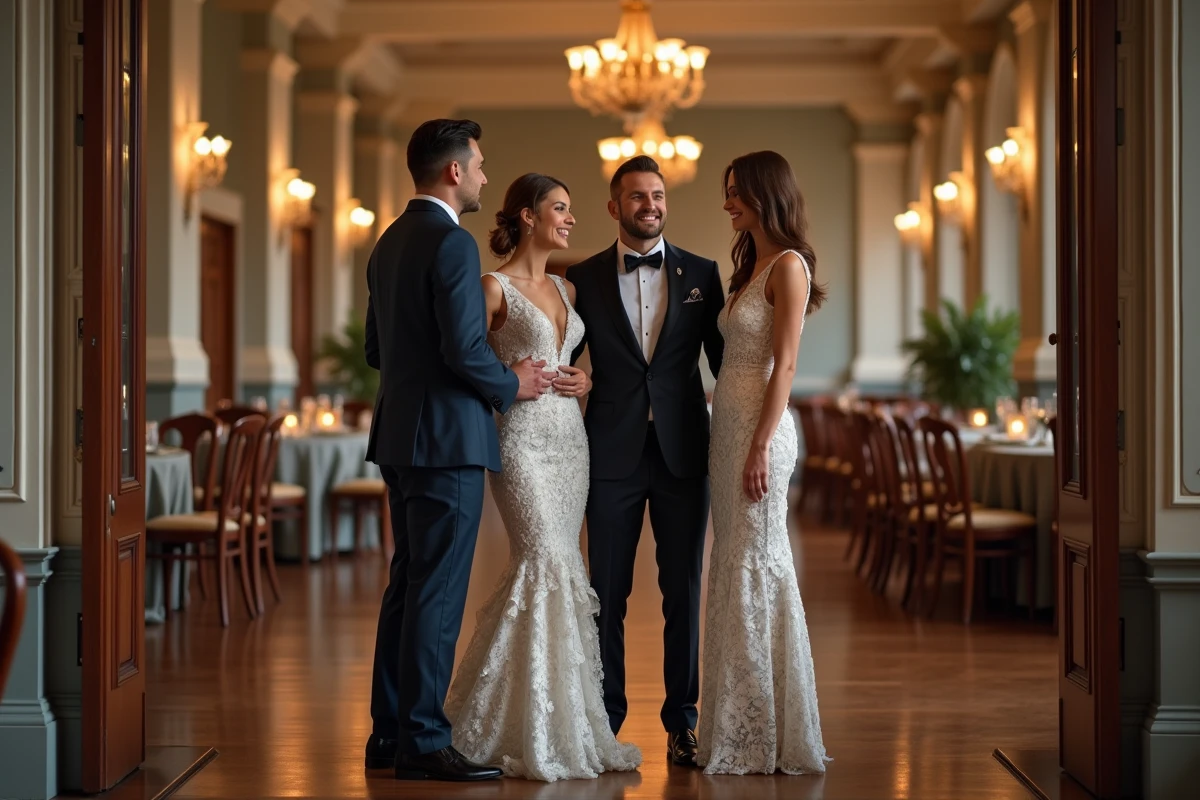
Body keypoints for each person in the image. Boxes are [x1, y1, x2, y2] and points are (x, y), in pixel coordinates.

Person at [363, 119, 555, 782]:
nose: (481, 176)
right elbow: (464, 350)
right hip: (447, 440)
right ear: (452, 171)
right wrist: (515, 383)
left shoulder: (387, 242)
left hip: (398, 434)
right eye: (477, 165)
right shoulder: (450, 243)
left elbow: (375, 351)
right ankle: (422, 739)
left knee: (408, 584)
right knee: (437, 591)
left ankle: (388, 732)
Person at [442, 173, 643, 782]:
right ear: (527, 217)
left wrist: (582, 379)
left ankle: (567, 721)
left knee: (565, 567)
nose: (570, 218)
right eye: (560, 208)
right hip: (523, 440)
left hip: (569, 440)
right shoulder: (491, 285)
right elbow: (462, 360)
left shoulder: (566, 287)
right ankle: (512, 724)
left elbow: (576, 361)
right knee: (543, 560)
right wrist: (510, 382)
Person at [566, 155, 725, 767]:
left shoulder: (702, 275)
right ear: (614, 207)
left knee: (682, 589)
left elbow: (724, 362)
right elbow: (560, 348)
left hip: (685, 453)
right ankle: (605, 719)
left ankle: (682, 721)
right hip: (609, 453)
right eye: (636, 196)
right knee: (606, 591)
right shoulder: (582, 278)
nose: (649, 205)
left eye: (657, 194)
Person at [697, 150, 831, 775]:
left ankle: (763, 732)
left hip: (761, 434)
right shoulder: (750, 265)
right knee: (731, 561)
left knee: (757, 561)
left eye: (735, 194)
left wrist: (758, 444)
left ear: (763, 193)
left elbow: (785, 365)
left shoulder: (789, 266)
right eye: (726, 194)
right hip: (728, 430)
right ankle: (731, 721)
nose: (727, 204)